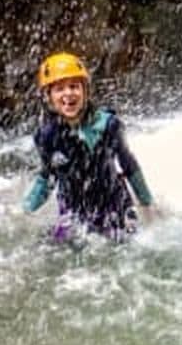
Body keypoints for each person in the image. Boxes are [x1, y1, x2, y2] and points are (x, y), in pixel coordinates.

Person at [22, 52, 156, 241]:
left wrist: (147, 203)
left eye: (74, 86)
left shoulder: (109, 125)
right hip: (73, 211)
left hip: (114, 204)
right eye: (59, 89)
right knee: (50, 246)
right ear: (49, 97)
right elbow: (48, 174)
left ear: (85, 91)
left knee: (126, 243)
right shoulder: (46, 136)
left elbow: (128, 164)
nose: (68, 93)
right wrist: (26, 209)